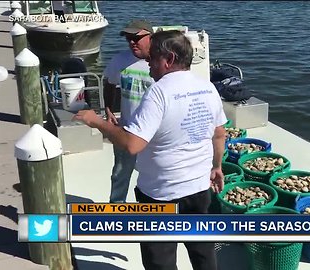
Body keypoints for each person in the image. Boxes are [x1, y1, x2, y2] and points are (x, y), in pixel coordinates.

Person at [74, 30, 226, 270]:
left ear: (169, 60)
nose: (148, 63)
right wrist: (217, 167)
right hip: (199, 188)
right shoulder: (207, 87)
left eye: (152, 57)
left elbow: (133, 144)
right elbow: (219, 133)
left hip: (160, 194)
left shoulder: (158, 92)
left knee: (160, 262)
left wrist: (97, 121)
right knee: (202, 252)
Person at [102, 19, 154, 203]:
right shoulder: (120, 60)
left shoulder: (162, 63)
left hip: (155, 136)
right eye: (128, 38)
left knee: (153, 178)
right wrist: (108, 108)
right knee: (120, 174)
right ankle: (117, 211)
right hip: (127, 131)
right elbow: (109, 83)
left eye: (136, 38)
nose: (132, 42)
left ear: (151, 37)